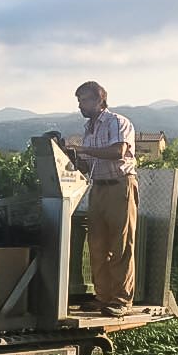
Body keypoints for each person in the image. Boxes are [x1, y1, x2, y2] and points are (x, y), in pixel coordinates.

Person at [72, 81, 137, 317]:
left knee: (121, 244)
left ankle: (121, 300)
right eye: (79, 101)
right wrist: (70, 157)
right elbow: (88, 164)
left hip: (121, 185)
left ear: (100, 100)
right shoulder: (88, 129)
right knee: (97, 244)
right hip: (98, 187)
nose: (81, 105)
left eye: (85, 100)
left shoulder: (117, 122)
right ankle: (103, 297)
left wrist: (83, 151)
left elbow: (118, 151)